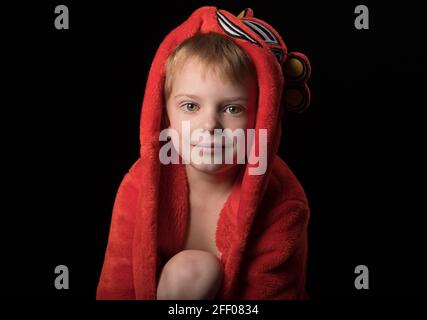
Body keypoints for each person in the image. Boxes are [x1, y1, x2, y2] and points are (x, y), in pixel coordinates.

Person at [97, 6, 312, 300]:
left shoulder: (282, 200)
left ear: (262, 118)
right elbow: (117, 285)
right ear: (164, 113)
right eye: (190, 106)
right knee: (189, 270)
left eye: (233, 108)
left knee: (196, 269)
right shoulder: (141, 182)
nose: (209, 125)